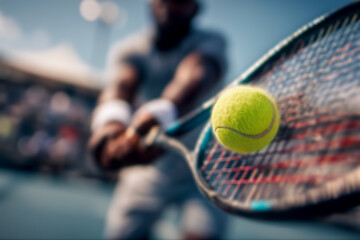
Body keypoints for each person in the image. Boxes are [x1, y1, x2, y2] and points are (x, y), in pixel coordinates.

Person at [89, 0, 228, 239]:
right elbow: (121, 84)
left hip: (205, 169)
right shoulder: (130, 50)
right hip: (146, 173)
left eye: (179, 2)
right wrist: (110, 125)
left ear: (195, 8)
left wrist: (163, 112)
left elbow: (196, 72)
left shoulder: (211, 41)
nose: (167, 6)